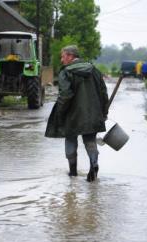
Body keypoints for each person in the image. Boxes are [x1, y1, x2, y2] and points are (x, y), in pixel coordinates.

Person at [45, 45, 109, 182]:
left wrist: (60, 114)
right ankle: (94, 164)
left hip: (72, 115)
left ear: (70, 56)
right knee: (90, 141)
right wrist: (104, 112)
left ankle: (73, 174)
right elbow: (104, 93)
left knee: (70, 140)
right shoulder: (94, 71)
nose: (62, 60)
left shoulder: (66, 72)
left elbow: (65, 95)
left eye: (63, 57)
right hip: (92, 114)